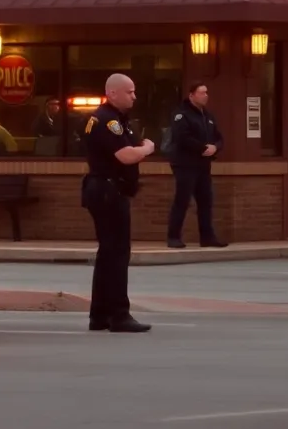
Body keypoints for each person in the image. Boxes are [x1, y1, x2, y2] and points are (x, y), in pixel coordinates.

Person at [81, 73, 157, 333]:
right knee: (116, 253)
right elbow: (126, 155)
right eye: (129, 91)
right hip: (107, 191)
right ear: (112, 93)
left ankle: (99, 315)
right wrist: (148, 148)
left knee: (108, 253)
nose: (134, 96)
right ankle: (119, 314)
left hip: (108, 190)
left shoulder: (118, 120)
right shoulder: (106, 120)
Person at [166, 83, 229, 249]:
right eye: (202, 93)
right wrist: (203, 148)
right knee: (182, 200)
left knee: (206, 201)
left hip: (203, 165)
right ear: (191, 95)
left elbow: (219, 137)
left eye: (206, 92)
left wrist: (215, 147)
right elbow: (182, 137)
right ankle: (173, 237)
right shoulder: (182, 115)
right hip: (185, 164)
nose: (205, 96)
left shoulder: (207, 116)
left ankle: (207, 237)